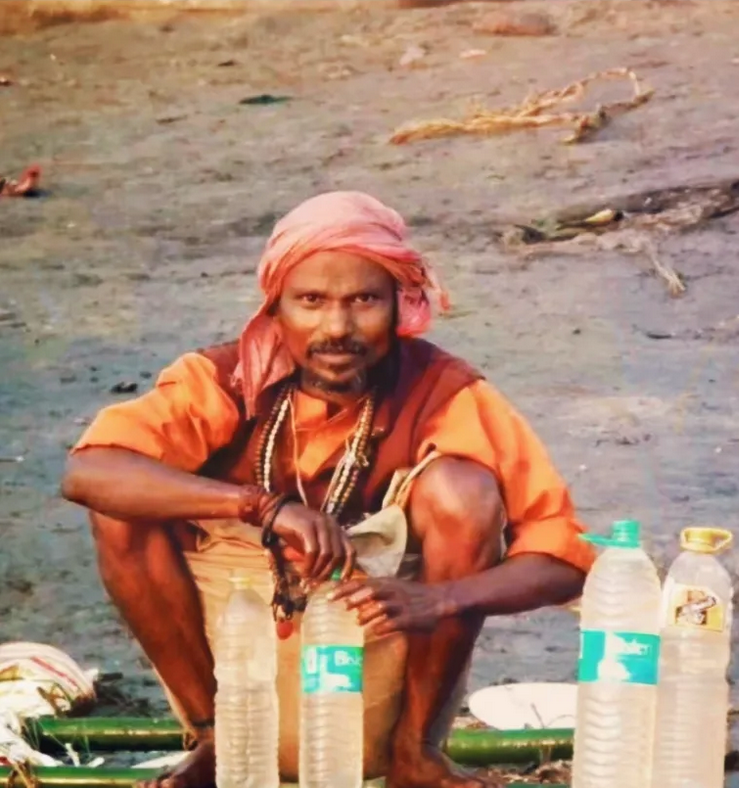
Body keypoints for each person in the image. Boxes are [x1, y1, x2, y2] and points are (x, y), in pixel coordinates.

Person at [61, 191, 596, 788]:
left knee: (462, 489)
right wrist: (261, 506)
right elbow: (88, 472)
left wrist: (446, 599)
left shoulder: (443, 390)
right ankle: (213, 742)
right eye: (310, 301)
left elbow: (563, 555)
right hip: (233, 664)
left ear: (401, 305)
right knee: (121, 507)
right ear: (275, 309)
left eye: (364, 300)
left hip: (374, 681)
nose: (337, 329)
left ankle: (415, 753)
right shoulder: (222, 380)